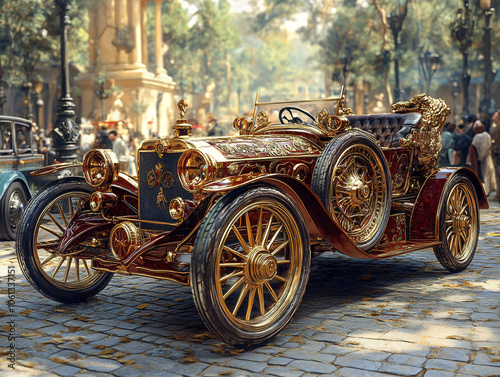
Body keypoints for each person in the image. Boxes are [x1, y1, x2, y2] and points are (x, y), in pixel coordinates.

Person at [471, 120, 497, 196]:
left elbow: (481, 147)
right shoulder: (487, 135)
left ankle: (486, 191)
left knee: (485, 174)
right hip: (485, 157)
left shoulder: (478, 136)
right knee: (486, 174)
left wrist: (480, 157)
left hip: (483, 158)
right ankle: (486, 190)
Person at [489, 110, 500, 201]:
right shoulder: (496, 126)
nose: (493, 117)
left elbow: (496, 142)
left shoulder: (498, 127)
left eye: (495, 115)